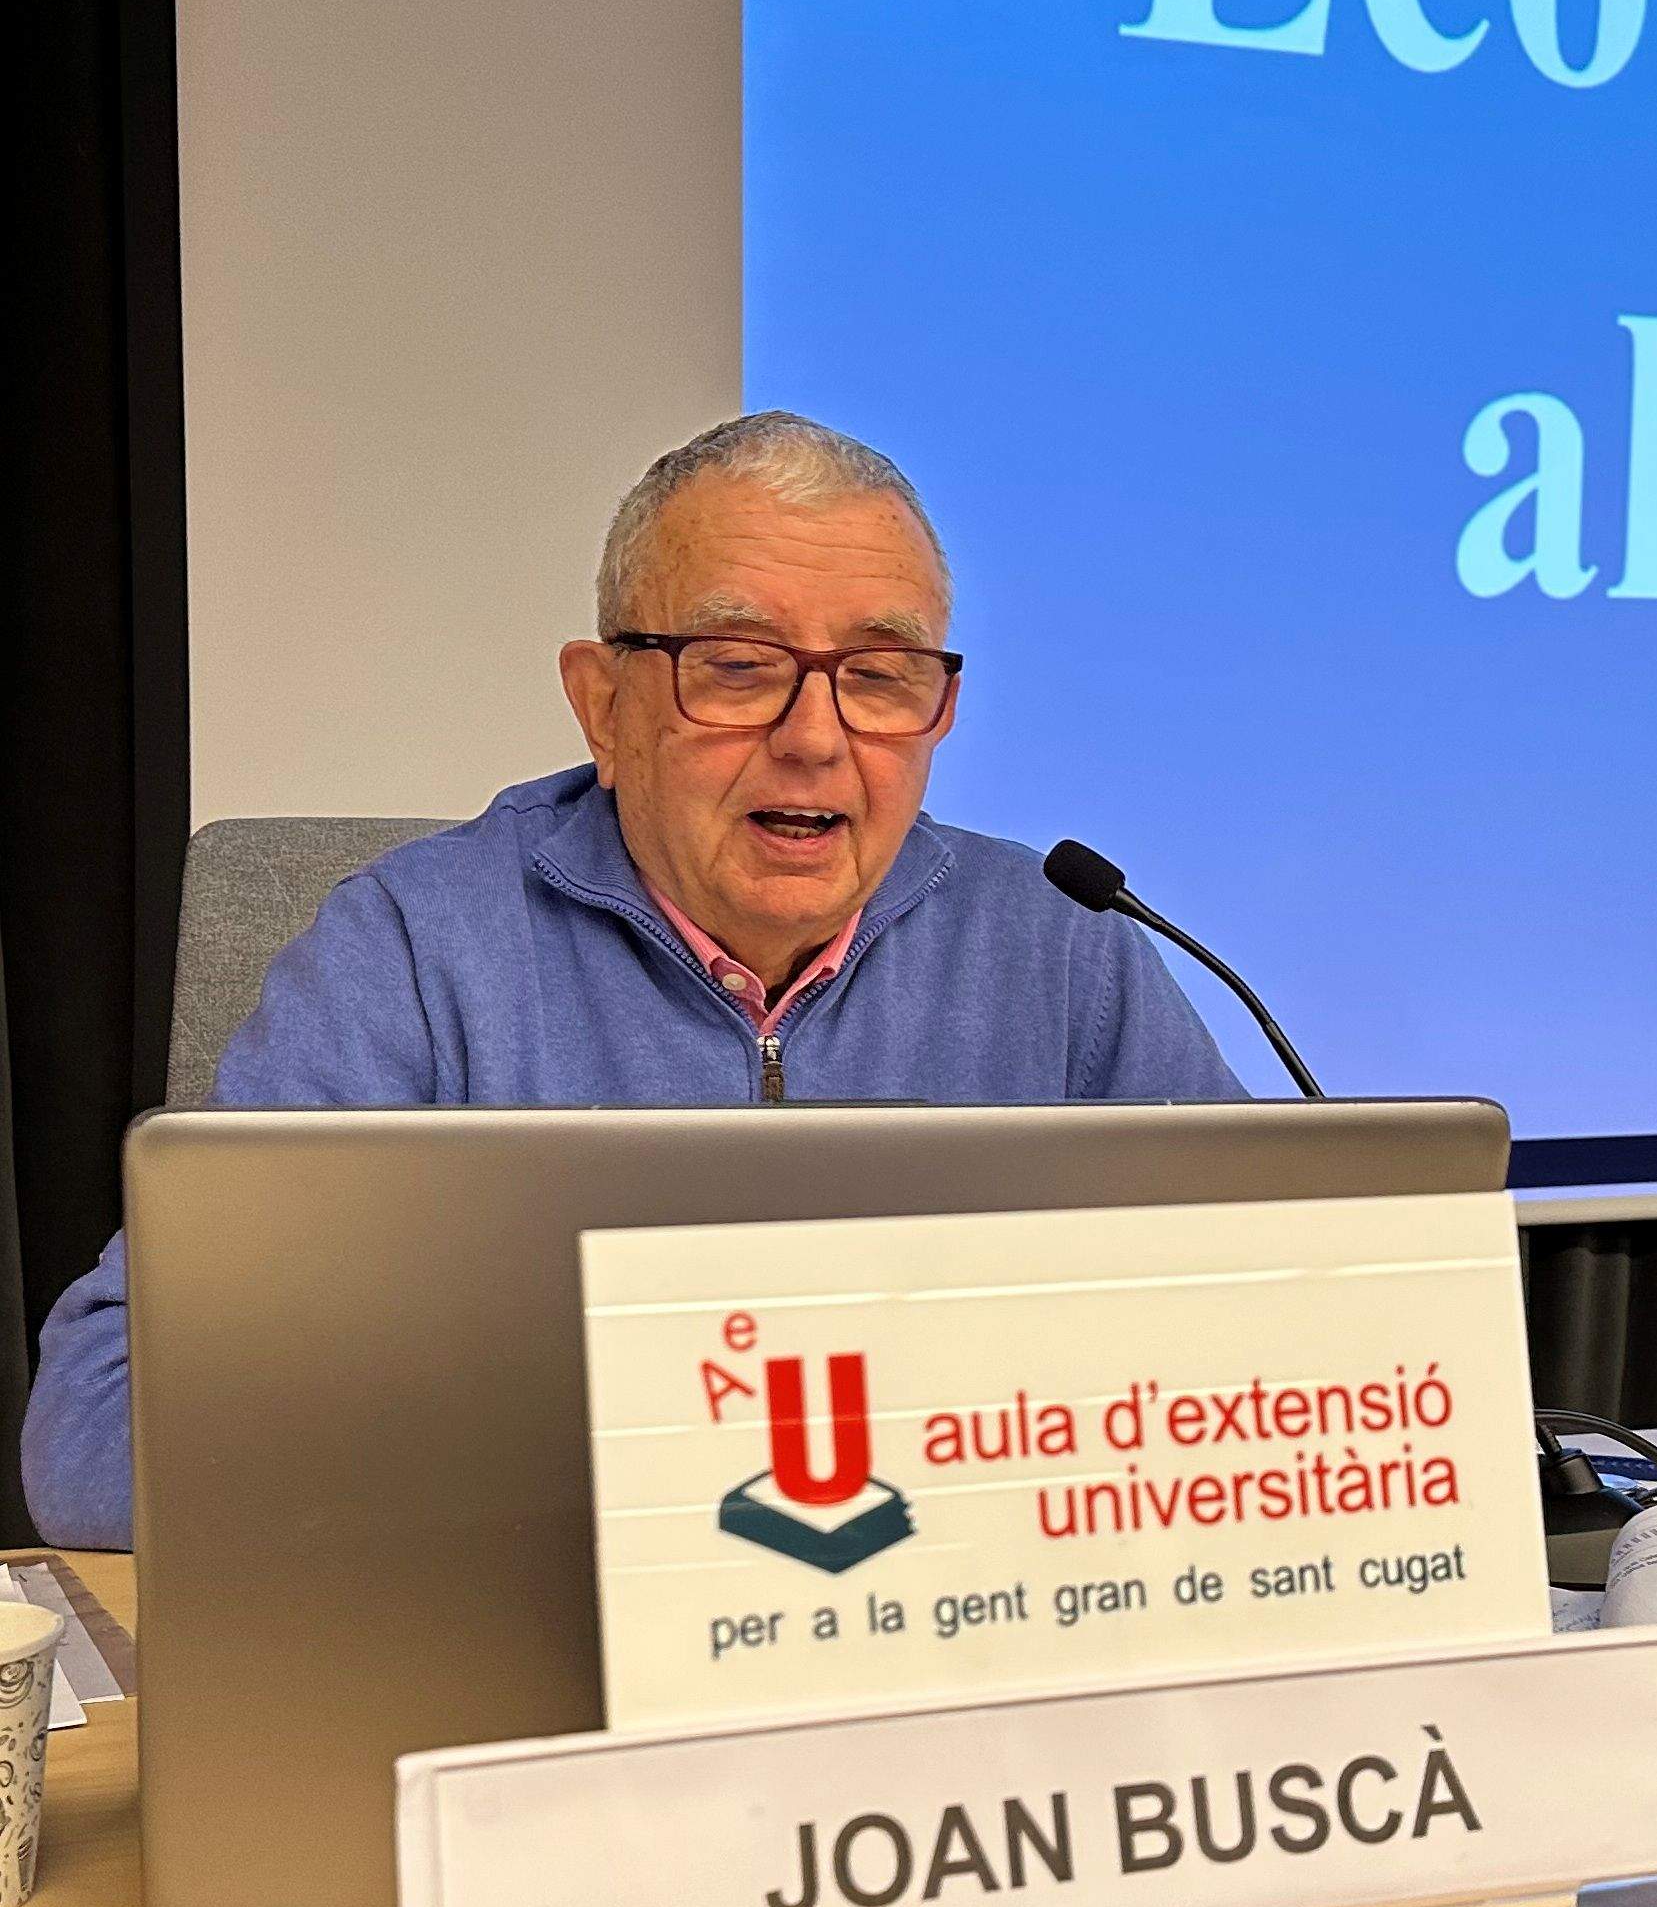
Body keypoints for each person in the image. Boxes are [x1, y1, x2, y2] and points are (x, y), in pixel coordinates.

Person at [20, 412, 1244, 1546]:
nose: (816, 736)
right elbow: (100, 1428)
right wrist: (641, 1477)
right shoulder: (411, 949)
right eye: (737, 664)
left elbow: (1288, 1326)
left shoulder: (1056, 941)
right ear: (602, 704)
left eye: (879, 675)